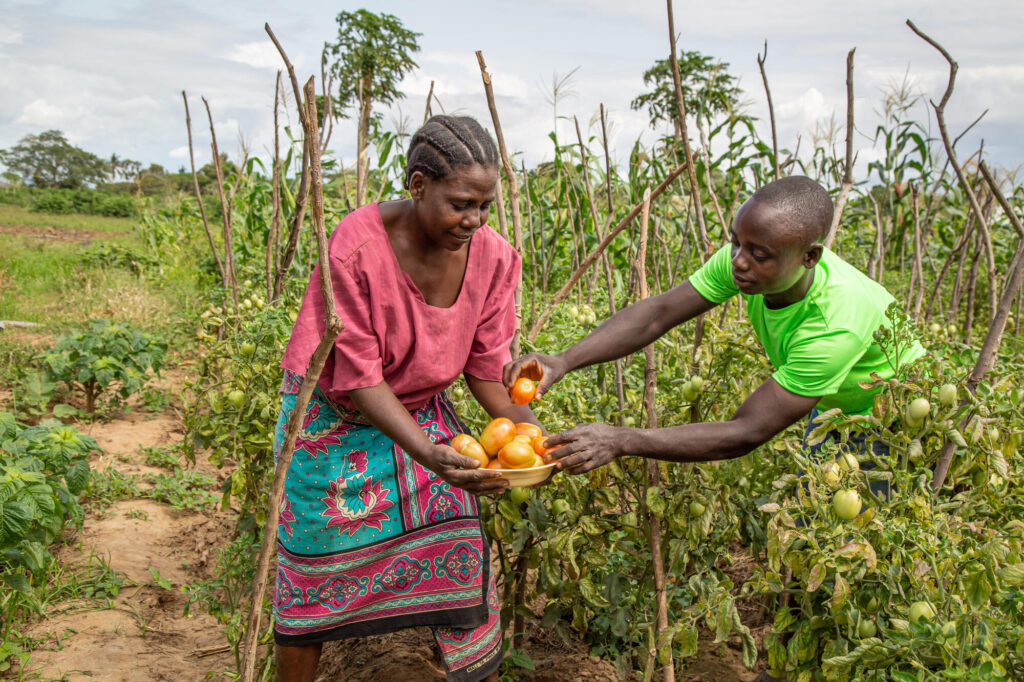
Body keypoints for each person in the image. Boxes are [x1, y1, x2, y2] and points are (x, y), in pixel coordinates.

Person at [273, 115, 534, 682]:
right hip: (332, 425)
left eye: (485, 206)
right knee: (312, 581)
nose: (475, 220)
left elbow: (487, 370)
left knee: (461, 558)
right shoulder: (357, 248)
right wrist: (427, 453)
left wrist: (536, 440)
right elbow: (360, 377)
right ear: (418, 185)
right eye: (461, 204)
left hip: (422, 416)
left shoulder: (493, 259)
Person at [504, 175, 925, 477]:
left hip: (893, 416)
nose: (738, 261)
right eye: (735, 241)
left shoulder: (835, 326)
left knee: (864, 539)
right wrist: (564, 360)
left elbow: (746, 431)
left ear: (809, 257)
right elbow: (657, 314)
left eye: (758, 254)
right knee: (813, 523)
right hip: (835, 408)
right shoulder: (748, 260)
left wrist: (620, 439)